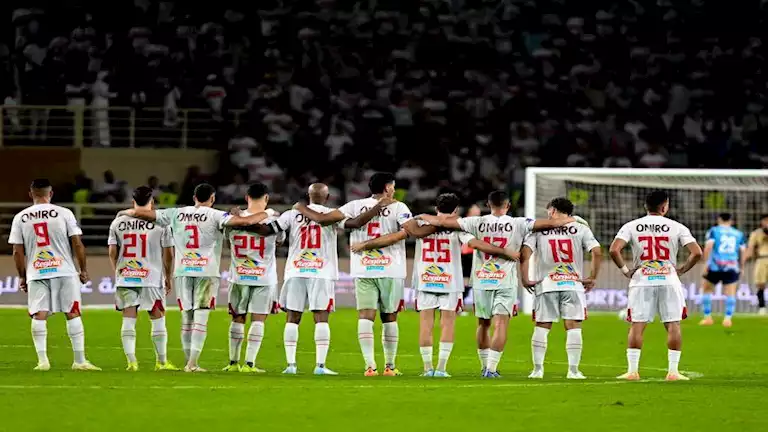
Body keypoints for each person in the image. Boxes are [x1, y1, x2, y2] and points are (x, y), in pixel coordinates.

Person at [351, 193, 520, 378]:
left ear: (436, 208)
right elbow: (475, 244)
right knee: (447, 324)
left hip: (425, 279)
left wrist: (365, 245)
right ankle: (441, 369)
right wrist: (505, 251)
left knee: (426, 324)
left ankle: (427, 368)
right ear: (456, 209)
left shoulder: (420, 224)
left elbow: (398, 236)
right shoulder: (458, 227)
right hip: (450, 281)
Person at [418, 190, 578, 378]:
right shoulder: (519, 223)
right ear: (508, 205)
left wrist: (421, 216)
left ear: (488, 205)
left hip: (481, 280)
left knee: (483, 324)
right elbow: (553, 223)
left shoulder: (475, 222)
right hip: (505, 281)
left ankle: (483, 366)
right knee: (501, 324)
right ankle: (491, 369)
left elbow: (443, 222)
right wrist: (574, 219)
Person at [117, 183, 270, 372]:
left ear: (194, 198)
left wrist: (127, 212)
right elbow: (245, 222)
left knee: (186, 318)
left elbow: (147, 214)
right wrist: (266, 214)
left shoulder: (177, 213)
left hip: (182, 271)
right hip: (206, 272)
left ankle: (187, 362)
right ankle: (193, 363)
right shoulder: (216, 215)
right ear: (212, 198)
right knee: (200, 318)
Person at [292, 172, 408, 376]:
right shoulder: (399, 207)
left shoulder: (354, 205)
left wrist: (301, 208)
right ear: (388, 188)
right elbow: (407, 231)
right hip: (391, 268)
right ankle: (390, 366)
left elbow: (323, 219)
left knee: (365, 316)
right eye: (393, 186)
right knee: (390, 317)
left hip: (363, 268)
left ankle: (370, 366)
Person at [249, 183, 360, 375]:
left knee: (292, 318)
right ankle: (320, 366)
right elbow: (353, 224)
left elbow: (266, 230)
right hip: (322, 272)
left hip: (296, 270)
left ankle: (291, 365)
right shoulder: (333, 214)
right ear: (327, 197)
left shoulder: (291, 214)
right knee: (321, 318)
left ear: (308, 195)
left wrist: (245, 221)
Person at [609, 190, 702, 381]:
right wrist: (682, 270)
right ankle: (673, 372)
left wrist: (626, 271)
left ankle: (632, 371)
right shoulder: (677, 227)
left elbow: (614, 250)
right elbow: (697, 253)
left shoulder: (631, 226)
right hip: (669, 279)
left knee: (637, 324)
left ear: (646, 206)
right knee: (673, 323)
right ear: (664, 207)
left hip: (642, 280)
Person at [9, 179, 100, 371]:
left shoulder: (20, 217)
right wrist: (83, 269)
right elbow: (77, 243)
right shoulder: (64, 213)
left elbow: (17, 251)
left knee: (39, 314)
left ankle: (42, 362)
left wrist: (22, 276)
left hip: (37, 271)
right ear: (50, 194)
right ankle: (80, 361)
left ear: (30, 194)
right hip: (64, 270)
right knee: (72, 312)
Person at [520, 198, 602, 380]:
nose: (547, 214)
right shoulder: (581, 228)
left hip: (546, 284)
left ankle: (537, 370)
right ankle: (573, 371)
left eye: (548, 211)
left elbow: (524, 254)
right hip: (572, 283)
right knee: (573, 326)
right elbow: (597, 252)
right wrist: (592, 277)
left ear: (553, 210)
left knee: (542, 326)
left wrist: (525, 278)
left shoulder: (539, 230)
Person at [108, 186, 177, 371]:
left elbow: (112, 252)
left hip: (126, 276)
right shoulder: (161, 223)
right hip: (151, 277)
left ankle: (131, 362)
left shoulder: (118, 222)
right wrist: (168, 276)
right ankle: (161, 362)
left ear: (133, 201)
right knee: (157, 316)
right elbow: (169, 254)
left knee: (128, 317)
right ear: (151, 201)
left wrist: (117, 272)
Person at [223, 183, 284, 373]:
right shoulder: (274, 219)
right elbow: (280, 241)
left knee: (237, 317)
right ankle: (249, 364)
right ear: (266, 198)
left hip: (238, 275)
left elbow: (227, 241)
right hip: (264, 276)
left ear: (246, 197)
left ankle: (233, 363)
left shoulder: (232, 218)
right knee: (258, 319)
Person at [699, 213, 746, 327]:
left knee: (707, 290)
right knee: (730, 292)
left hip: (715, 266)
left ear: (719, 220)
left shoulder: (714, 231)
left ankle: (707, 317)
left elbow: (709, 247)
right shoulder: (739, 234)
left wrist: (705, 263)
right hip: (731, 266)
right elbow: (743, 251)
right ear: (731, 221)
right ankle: (727, 319)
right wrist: (742, 267)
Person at [745, 215, 768, 315]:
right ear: (762, 222)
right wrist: (745, 259)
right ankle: (762, 307)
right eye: (765, 220)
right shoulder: (756, 233)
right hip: (762, 259)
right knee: (760, 284)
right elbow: (750, 248)